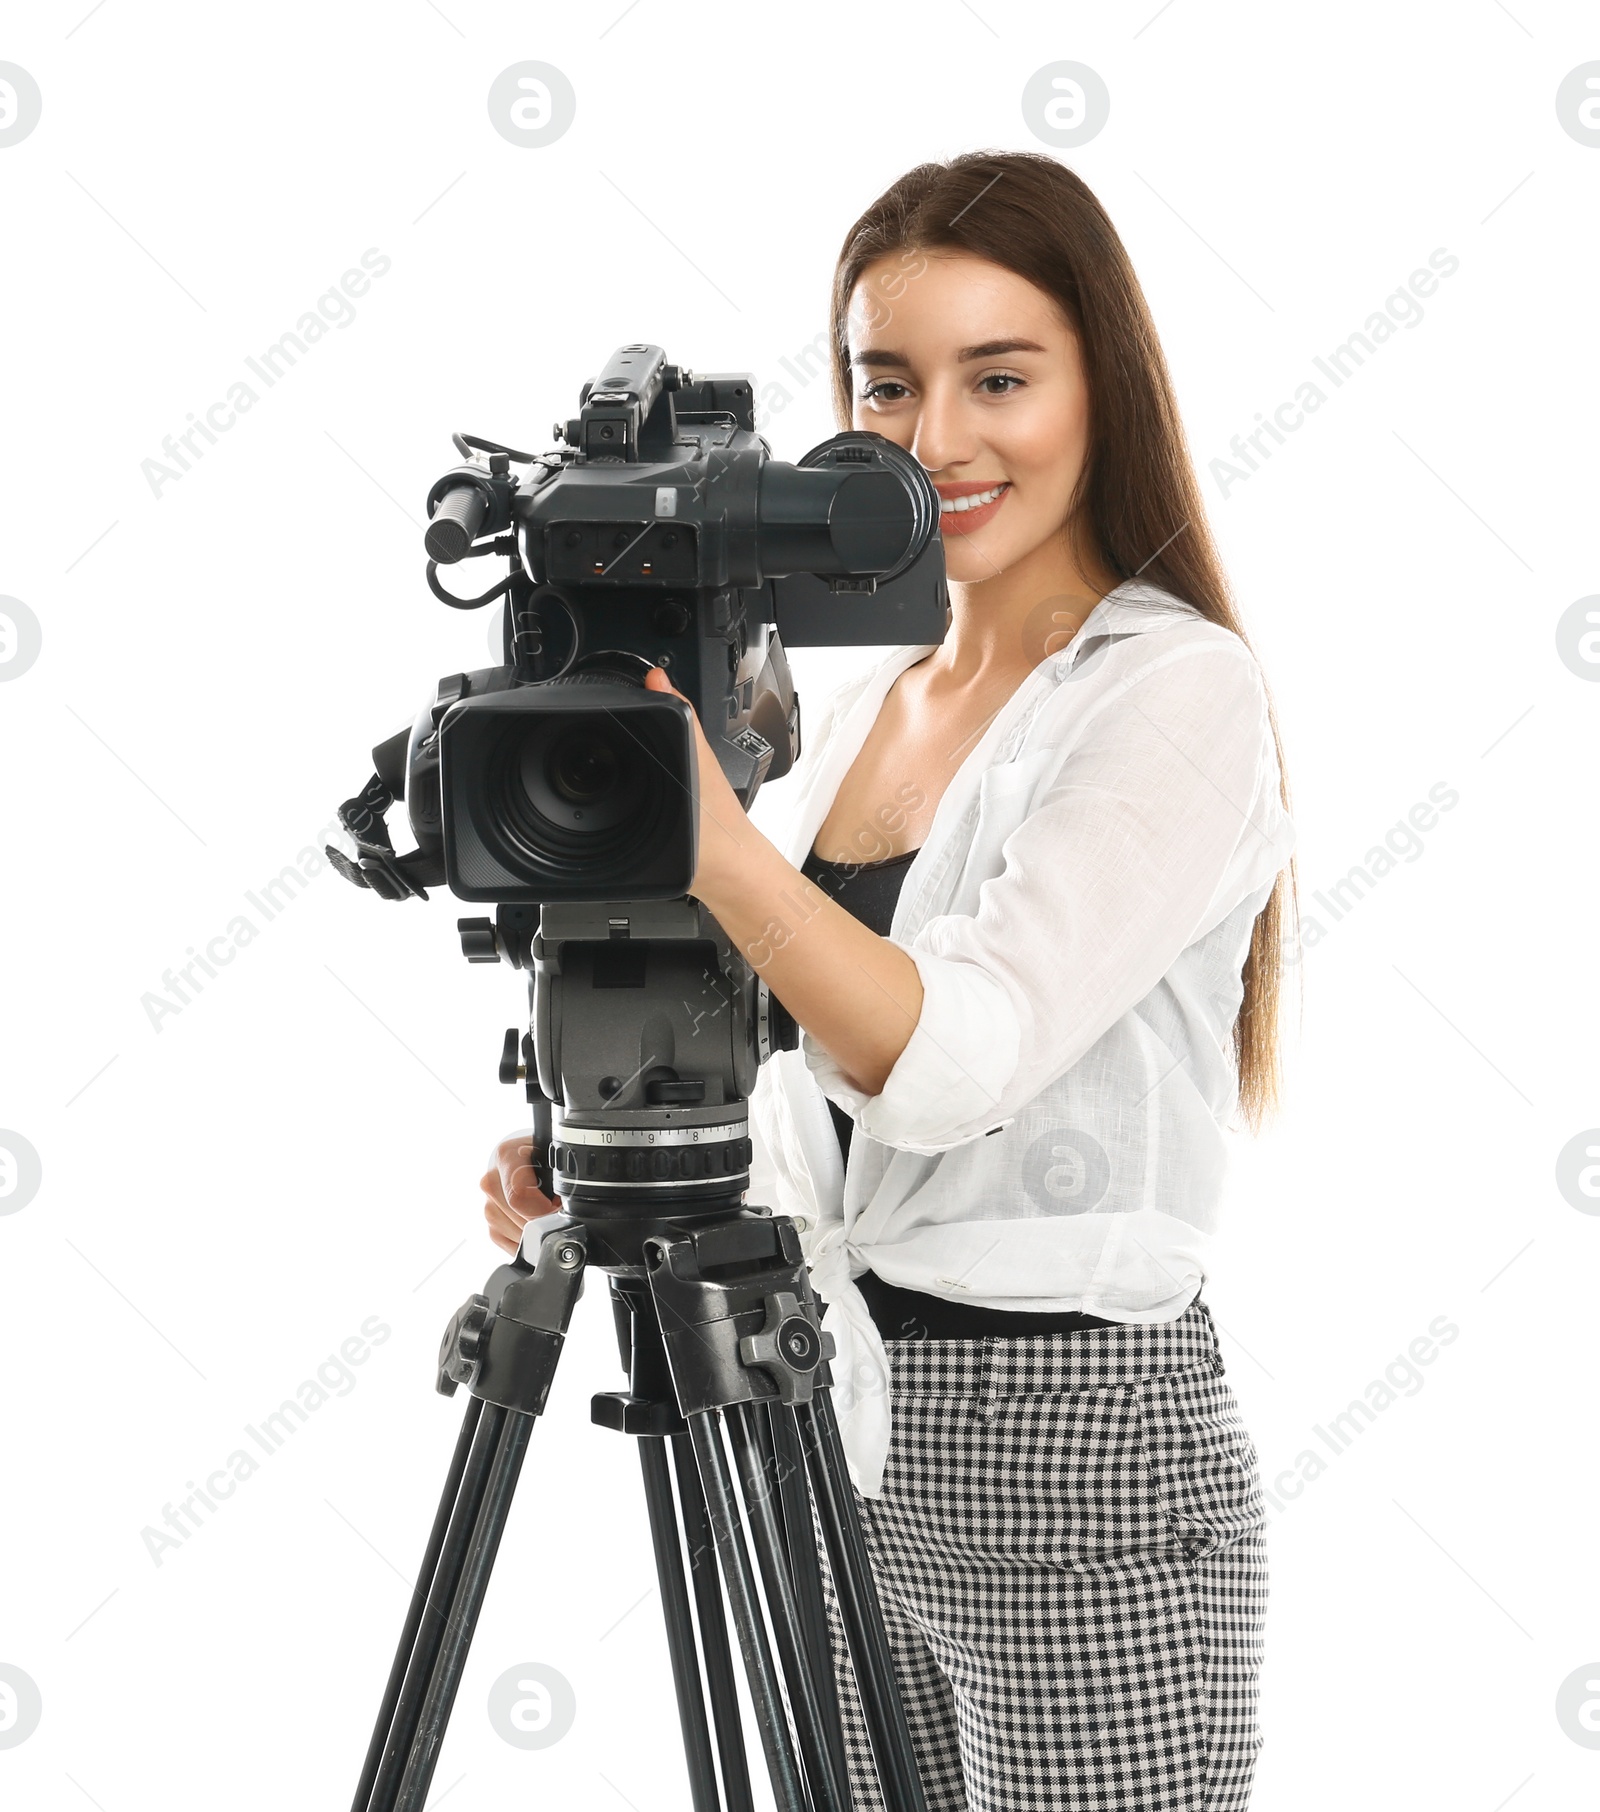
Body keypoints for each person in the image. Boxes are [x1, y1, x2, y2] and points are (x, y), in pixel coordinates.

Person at [480, 149, 1299, 1812]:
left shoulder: (1173, 691)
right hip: (822, 1400)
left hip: (1077, 1456)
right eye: (889, 383)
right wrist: (602, 1163)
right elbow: (797, 1041)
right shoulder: (863, 702)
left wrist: (721, 850)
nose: (938, 441)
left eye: (1002, 378)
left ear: (1104, 386)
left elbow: (957, 1058)